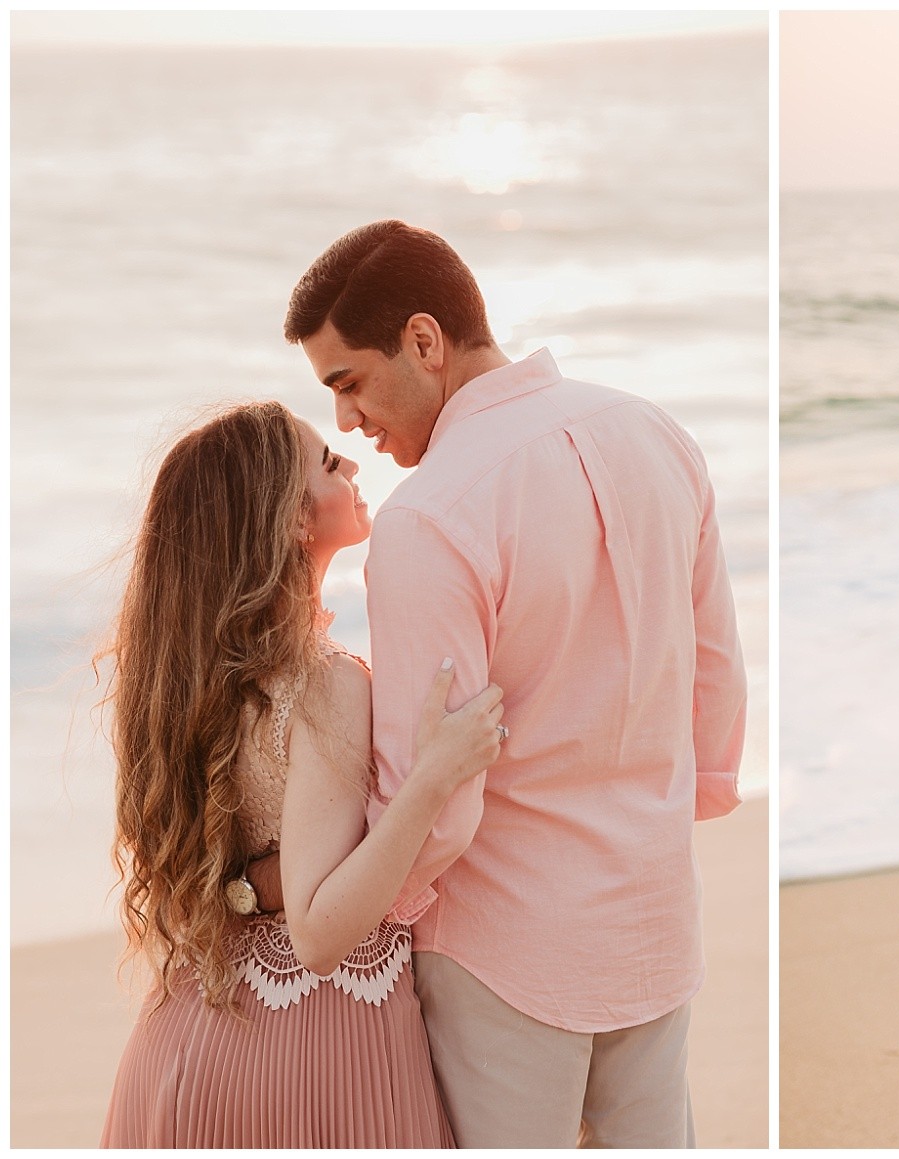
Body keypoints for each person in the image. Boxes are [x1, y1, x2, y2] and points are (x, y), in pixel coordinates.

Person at [284, 219, 748, 1147]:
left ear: (425, 339)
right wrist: (671, 808)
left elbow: (442, 803)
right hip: (654, 915)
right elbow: (718, 669)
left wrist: (381, 906)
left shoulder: (431, 518)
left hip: (504, 949)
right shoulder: (656, 431)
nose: (345, 422)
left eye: (349, 381)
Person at [101, 401, 505, 1147]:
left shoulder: (185, 685)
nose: (352, 464)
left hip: (185, 1041)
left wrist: (246, 886)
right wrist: (433, 777)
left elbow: (227, 879)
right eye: (327, 463)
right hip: (316, 1046)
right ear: (290, 522)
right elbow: (319, 934)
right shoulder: (325, 683)